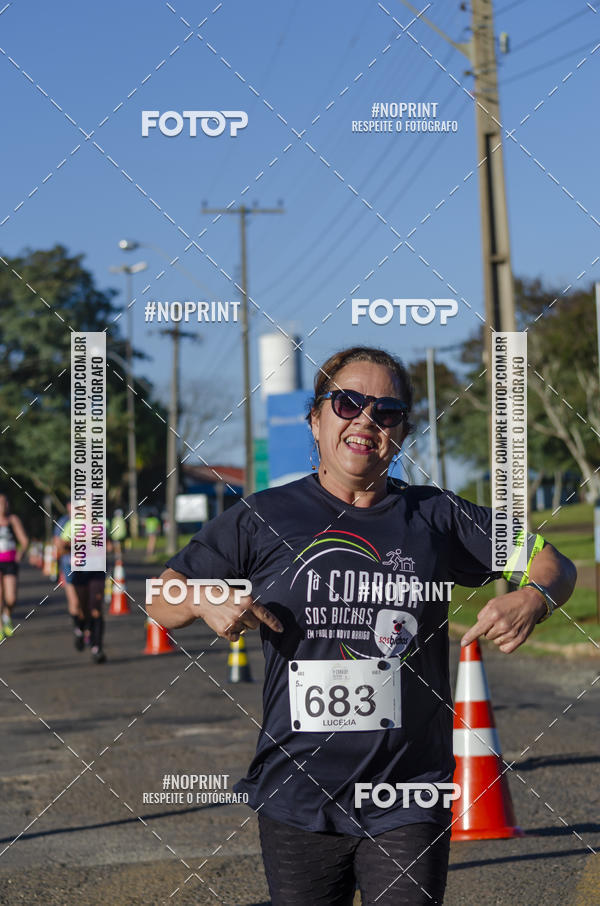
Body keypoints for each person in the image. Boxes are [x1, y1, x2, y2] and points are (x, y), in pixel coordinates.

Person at [150, 346, 577, 905]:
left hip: (408, 793)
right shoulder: (263, 517)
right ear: (316, 418)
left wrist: (534, 597)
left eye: (388, 411)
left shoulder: (435, 516)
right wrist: (207, 598)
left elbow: (554, 562)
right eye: (348, 402)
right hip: (297, 790)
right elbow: (161, 596)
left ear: (402, 433)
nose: (366, 421)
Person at [56, 517, 107, 664]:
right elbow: (61, 547)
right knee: (80, 607)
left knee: (95, 606)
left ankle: (97, 648)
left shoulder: (100, 524)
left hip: (96, 569)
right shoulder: (71, 524)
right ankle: (80, 629)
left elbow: (105, 545)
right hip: (78, 570)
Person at [54, 501, 90, 650]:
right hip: (69, 568)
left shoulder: (91, 522)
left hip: (88, 568)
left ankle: (85, 629)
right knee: (74, 603)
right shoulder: (64, 522)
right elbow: (58, 548)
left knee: (85, 603)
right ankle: (79, 630)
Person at [0, 494, 29, 640]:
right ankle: (0, 626)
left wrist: (21, 552)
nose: (3, 506)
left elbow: (24, 540)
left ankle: (7, 616)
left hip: (10, 562)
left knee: (11, 598)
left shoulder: (13, 520)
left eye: (5, 503)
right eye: (1, 503)